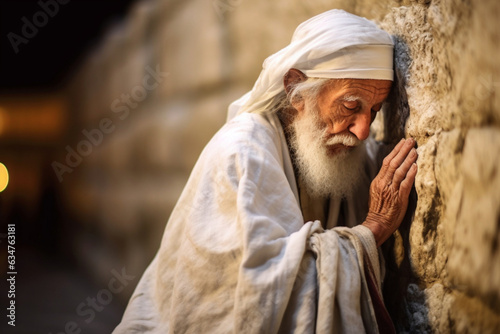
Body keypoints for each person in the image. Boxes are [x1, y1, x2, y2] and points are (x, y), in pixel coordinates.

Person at [114, 9, 418, 334]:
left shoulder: (338, 151)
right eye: (349, 106)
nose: (361, 131)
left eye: (373, 111)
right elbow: (257, 300)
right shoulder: (243, 153)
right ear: (295, 88)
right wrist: (375, 228)